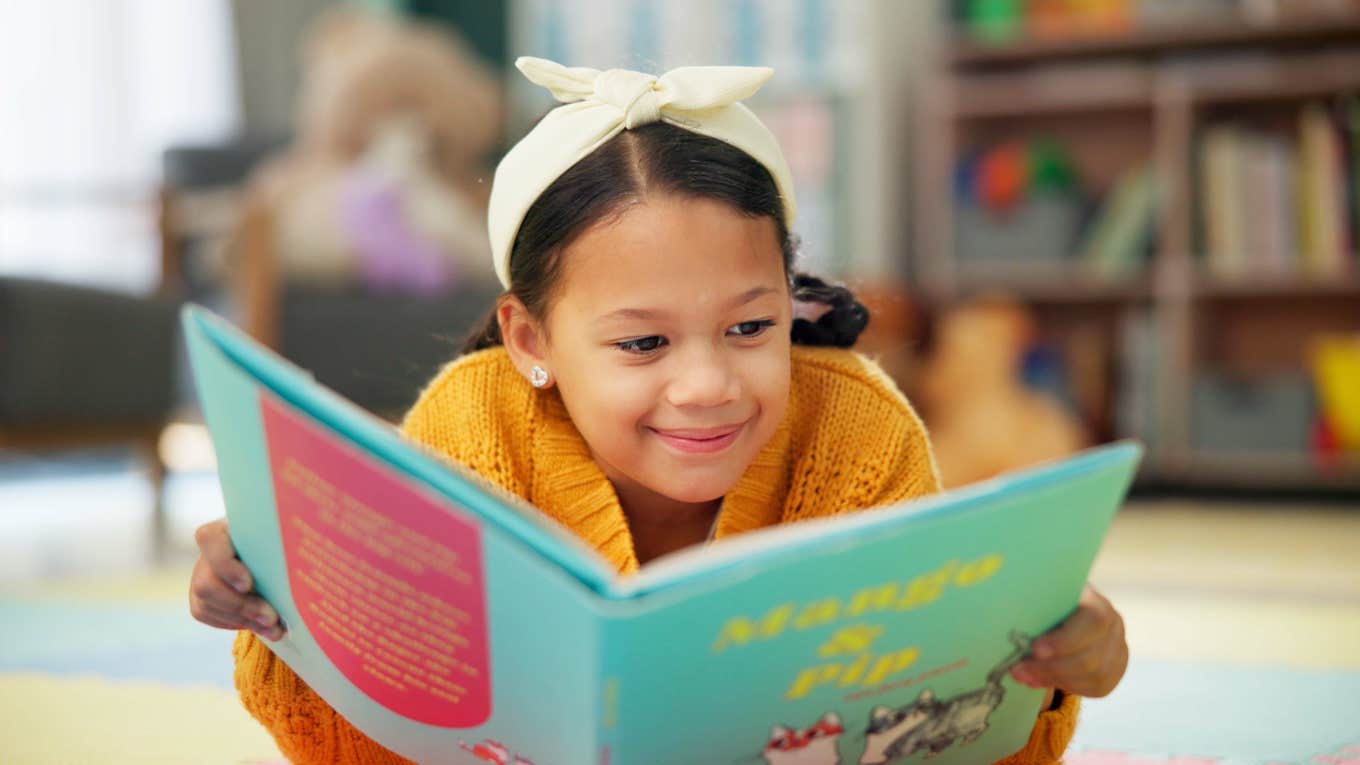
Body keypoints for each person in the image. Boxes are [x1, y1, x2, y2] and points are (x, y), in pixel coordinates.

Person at [188, 57, 1128, 765]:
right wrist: (283, 607)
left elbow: (949, 730)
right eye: (643, 343)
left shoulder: (860, 432)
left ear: (788, 296)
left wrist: (1045, 664)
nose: (707, 385)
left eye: (751, 326)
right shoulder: (470, 429)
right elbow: (356, 743)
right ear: (531, 341)